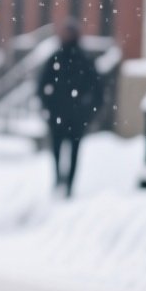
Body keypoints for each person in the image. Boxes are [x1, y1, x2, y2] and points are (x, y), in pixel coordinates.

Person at [37, 20, 100, 197]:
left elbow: (97, 90)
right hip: (62, 115)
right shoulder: (59, 58)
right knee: (61, 151)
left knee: (70, 152)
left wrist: (88, 111)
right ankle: (60, 181)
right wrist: (48, 107)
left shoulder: (81, 60)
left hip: (72, 116)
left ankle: (68, 184)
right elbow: (42, 86)